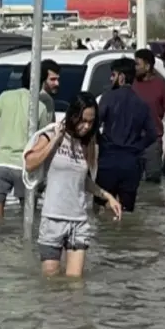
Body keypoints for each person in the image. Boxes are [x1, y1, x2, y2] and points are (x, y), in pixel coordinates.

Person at [24, 92, 123, 278]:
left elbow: (82, 181)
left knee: (75, 284)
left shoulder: (88, 145)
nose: (86, 126)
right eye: (82, 120)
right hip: (52, 220)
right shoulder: (50, 134)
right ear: (72, 115)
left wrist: (107, 196)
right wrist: (55, 141)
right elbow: (30, 163)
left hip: (79, 222)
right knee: (51, 282)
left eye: (91, 122)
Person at [0, 61, 57, 218]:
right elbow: (45, 137)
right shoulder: (41, 107)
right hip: (23, 167)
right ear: (43, 81)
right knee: (27, 216)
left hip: (0, 163)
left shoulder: (5, 96)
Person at [94, 58, 157, 212]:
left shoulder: (108, 97)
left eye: (113, 75)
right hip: (131, 164)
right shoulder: (142, 103)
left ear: (121, 77)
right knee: (127, 212)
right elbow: (152, 134)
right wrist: (136, 147)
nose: (110, 78)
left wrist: (101, 142)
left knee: (101, 209)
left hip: (108, 161)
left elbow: (94, 125)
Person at [133, 48, 165, 182]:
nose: (135, 68)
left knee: (153, 186)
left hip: (153, 142)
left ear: (147, 66)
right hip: (133, 142)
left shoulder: (160, 86)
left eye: (137, 64)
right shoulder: (132, 84)